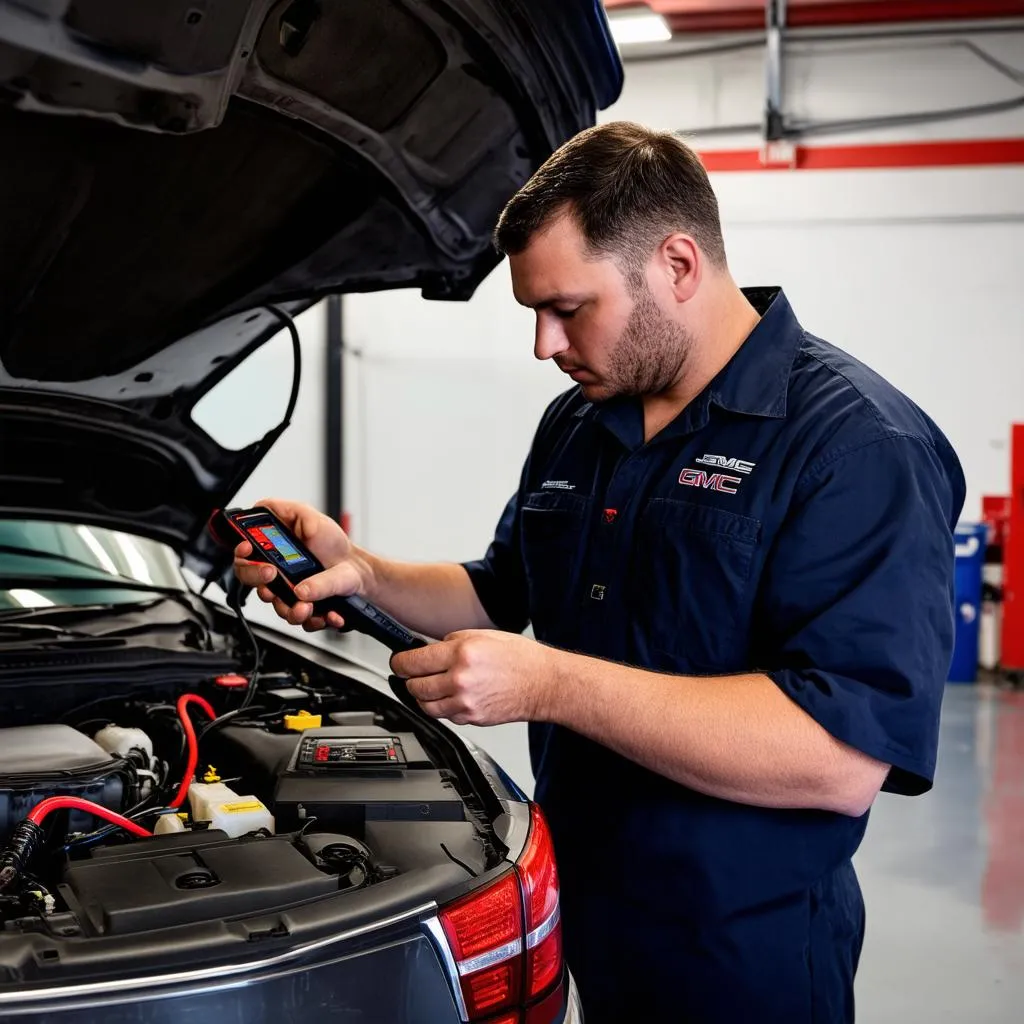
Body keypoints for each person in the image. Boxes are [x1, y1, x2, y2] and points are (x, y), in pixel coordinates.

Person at [234, 122, 965, 1023]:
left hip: (740, 946)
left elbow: (838, 757)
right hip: (578, 903)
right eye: (534, 313)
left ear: (678, 265)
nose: (545, 344)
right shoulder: (583, 421)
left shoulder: (855, 447)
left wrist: (550, 684)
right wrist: (363, 573)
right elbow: (504, 592)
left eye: (568, 308)